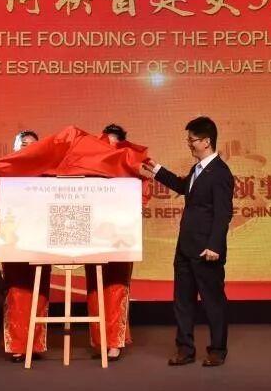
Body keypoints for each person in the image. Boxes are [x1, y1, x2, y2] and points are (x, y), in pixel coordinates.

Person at [143, 116, 234, 367]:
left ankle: (217, 350)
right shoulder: (197, 169)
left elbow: (223, 213)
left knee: (213, 303)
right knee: (183, 302)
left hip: (206, 250)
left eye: (192, 139)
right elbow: (183, 187)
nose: (189, 144)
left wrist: (215, 245)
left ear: (206, 141)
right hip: (185, 248)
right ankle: (185, 349)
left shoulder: (220, 173)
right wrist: (156, 169)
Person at [84, 124, 135, 361]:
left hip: (120, 237)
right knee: (96, 289)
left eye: (115, 145)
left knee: (116, 288)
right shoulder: (88, 170)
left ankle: (115, 341)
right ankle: (101, 340)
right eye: (106, 145)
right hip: (93, 236)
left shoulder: (129, 170)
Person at [0, 130, 51, 363]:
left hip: (41, 239)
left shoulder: (48, 173)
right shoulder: (5, 171)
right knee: (16, 291)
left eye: (33, 144)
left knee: (39, 291)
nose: (29, 148)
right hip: (14, 240)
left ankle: (35, 343)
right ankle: (18, 345)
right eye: (24, 144)